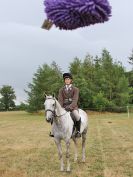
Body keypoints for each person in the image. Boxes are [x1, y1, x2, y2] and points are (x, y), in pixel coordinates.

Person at [58, 73, 81, 138]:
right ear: (64, 81)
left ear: (71, 80)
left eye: (68, 79)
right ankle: (54, 132)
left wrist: (70, 107)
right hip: (63, 107)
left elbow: (75, 100)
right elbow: (60, 100)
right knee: (55, 116)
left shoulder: (75, 89)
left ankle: (78, 131)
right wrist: (61, 108)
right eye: (66, 79)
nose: (67, 80)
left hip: (73, 107)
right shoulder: (61, 90)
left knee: (77, 116)